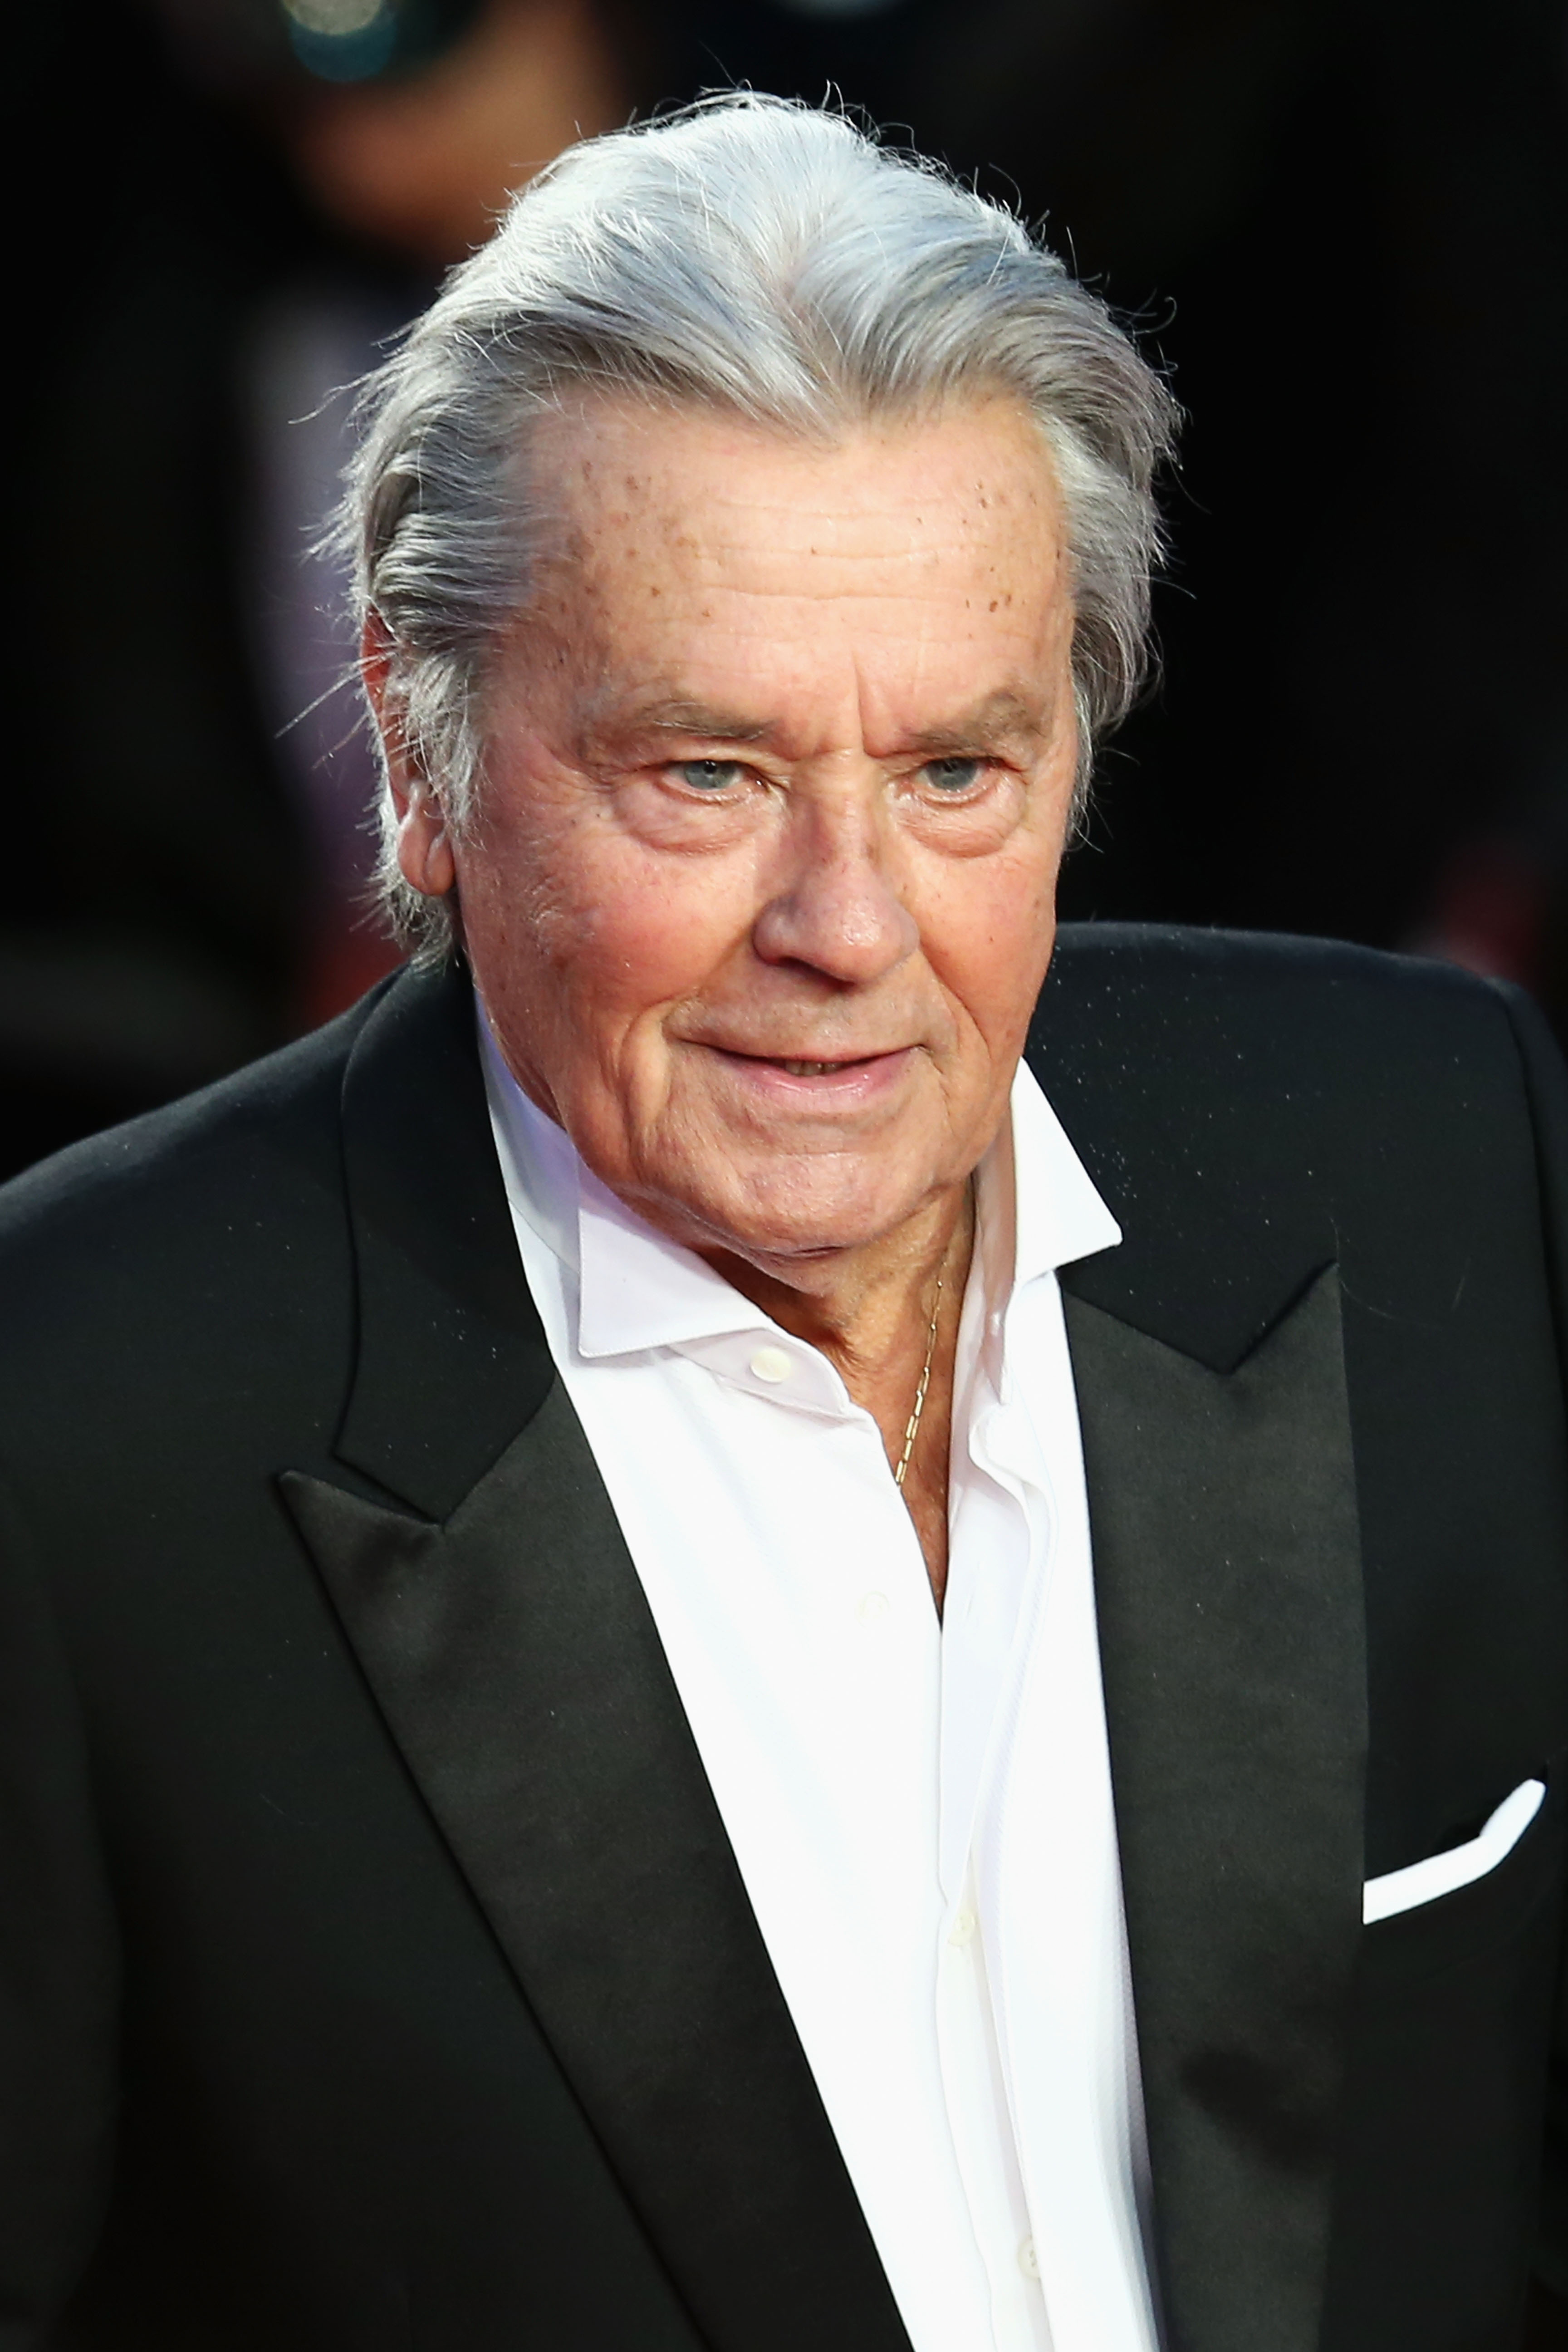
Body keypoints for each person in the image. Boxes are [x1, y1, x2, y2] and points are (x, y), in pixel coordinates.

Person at [2, 96, 1564, 2352]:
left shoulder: (1435, 1167)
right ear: (419, 754)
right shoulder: (69, 1442)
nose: (847, 925)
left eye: (955, 772)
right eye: (708, 774)